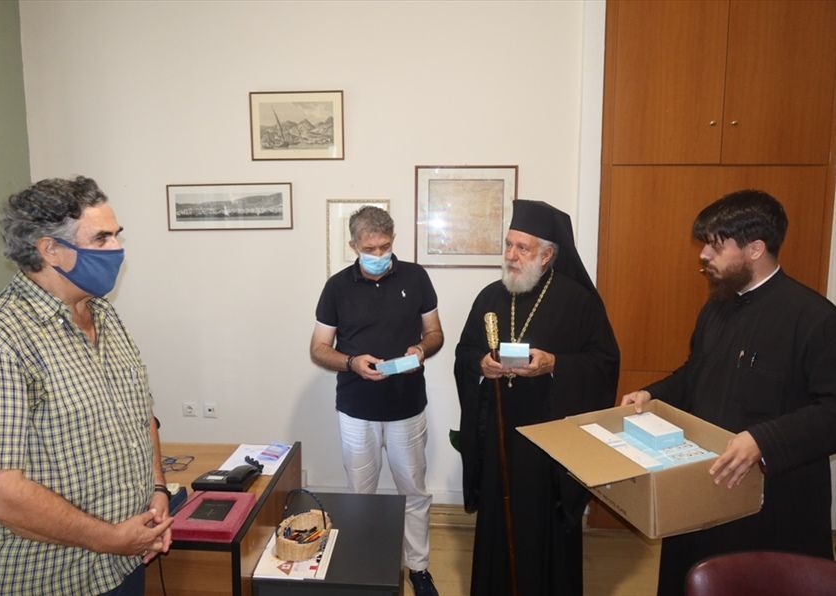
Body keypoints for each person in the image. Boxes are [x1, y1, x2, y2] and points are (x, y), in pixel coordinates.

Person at [0, 177, 173, 596]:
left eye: (116, 235)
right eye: (101, 238)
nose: (116, 249)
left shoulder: (103, 315)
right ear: (50, 249)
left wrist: (157, 491)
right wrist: (110, 538)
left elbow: (142, 417)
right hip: (34, 579)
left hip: (119, 565)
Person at [622, 189, 836, 595]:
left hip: (773, 502)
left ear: (755, 248)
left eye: (716, 246)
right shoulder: (717, 307)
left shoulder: (815, 318)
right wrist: (652, 395)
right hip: (705, 487)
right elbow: (696, 373)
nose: (704, 255)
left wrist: (763, 440)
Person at [454, 199, 620, 596]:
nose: (511, 255)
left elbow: (604, 363)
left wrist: (555, 364)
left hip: (550, 442)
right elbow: (464, 352)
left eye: (522, 248)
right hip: (499, 435)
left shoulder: (578, 302)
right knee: (498, 523)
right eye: (509, 245)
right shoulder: (490, 297)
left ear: (547, 255)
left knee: (543, 529)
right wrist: (481, 364)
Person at [310, 206, 444, 596]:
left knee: (414, 491)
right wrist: (351, 362)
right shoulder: (336, 287)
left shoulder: (416, 277)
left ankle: (418, 569)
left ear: (393, 240)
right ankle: (362, 566)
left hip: (407, 406)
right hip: (357, 409)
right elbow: (319, 348)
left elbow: (435, 332)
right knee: (360, 493)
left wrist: (421, 350)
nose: (379, 254)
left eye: (385, 246)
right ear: (354, 245)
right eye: (370, 248)